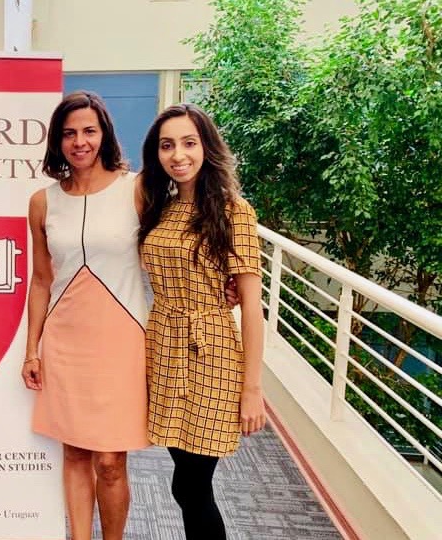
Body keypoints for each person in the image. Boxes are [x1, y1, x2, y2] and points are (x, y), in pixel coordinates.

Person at [21, 91, 149, 540]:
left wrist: (224, 284)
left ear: (104, 135)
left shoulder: (136, 188)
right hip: (65, 340)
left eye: (89, 131)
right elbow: (40, 280)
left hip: (122, 339)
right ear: (57, 140)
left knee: (111, 462)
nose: (80, 141)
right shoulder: (42, 202)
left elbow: (176, 247)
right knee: (74, 453)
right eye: (70, 132)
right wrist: (30, 349)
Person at [138, 103, 267, 539]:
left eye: (189, 143)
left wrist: (252, 390)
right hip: (163, 347)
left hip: (211, 352)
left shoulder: (234, 211)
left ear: (207, 147)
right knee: (183, 478)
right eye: (167, 145)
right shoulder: (160, 207)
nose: (178, 155)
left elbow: (251, 305)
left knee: (194, 483)